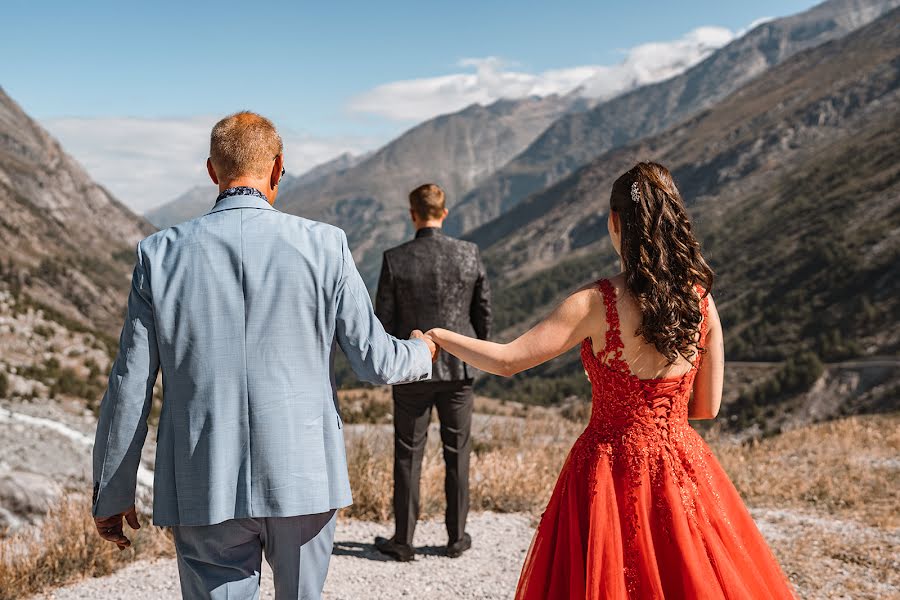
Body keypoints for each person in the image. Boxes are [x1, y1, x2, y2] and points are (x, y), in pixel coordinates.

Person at [90, 111, 437, 600]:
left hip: (202, 480)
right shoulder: (327, 246)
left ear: (212, 172)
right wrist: (421, 351)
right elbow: (376, 362)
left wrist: (112, 489)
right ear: (278, 170)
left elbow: (130, 384)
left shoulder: (158, 254)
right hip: (305, 476)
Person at [426, 162, 796, 598]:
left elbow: (508, 361)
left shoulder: (594, 302)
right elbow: (707, 409)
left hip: (607, 469)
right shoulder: (701, 300)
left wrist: (439, 336)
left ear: (615, 222)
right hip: (680, 464)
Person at [373, 183, 492, 561]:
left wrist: (395, 360)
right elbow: (482, 312)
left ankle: (403, 541)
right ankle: (456, 539)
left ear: (413, 214)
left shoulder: (395, 258)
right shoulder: (469, 254)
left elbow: (384, 321)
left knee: (408, 454)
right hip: (458, 370)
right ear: (444, 213)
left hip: (412, 369)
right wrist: (476, 352)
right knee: (457, 453)